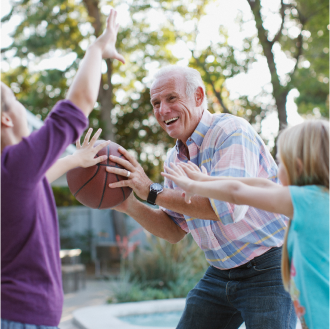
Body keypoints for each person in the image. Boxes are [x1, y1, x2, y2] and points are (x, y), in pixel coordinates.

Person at [106, 65, 296, 329]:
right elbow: (173, 230)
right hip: (220, 272)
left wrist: (151, 190)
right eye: (156, 103)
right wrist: (128, 204)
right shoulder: (174, 158)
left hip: (269, 269)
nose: (162, 110)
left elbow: (227, 208)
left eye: (171, 98)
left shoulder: (231, 132)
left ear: (198, 96)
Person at [0, 9, 124, 329]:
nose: (21, 107)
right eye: (15, 100)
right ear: (6, 118)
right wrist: (98, 48)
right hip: (21, 318)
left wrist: (75, 161)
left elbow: (38, 180)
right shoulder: (14, 165)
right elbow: (79, 101)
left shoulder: (14, 175)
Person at [162, 119, 330, 329]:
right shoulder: (316, 200)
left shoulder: (305, 201)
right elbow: (259, 183)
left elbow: (237, 193)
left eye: (281, 162)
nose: (277, 170)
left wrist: (193, 185)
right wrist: (205, 181)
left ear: (297, 166)